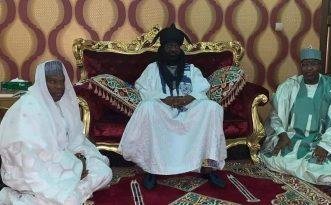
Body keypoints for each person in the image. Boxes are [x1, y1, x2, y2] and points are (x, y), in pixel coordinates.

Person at [118, 24, 227, 190]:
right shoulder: (152, 69)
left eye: (176, 46)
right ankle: (152, 169)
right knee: (147, 108)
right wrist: (164, 99)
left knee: (211, 108)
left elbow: (202, 88)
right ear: (162, 48)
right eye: (169, 46)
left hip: (189, 111)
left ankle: (209, 165)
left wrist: (189, 98)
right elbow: (141, 89)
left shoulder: (191, 69)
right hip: (163, 111)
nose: (173, 50)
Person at [0, 60, 112, 204]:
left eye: (62, 82)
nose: (59, 87)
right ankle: (20, 197)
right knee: (68, 199)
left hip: (62, 161)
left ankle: (61, 195)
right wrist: (75, 166)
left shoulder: (60, 104)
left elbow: (74, 140)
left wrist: (80, 158)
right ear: (41, 82)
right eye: (52, 82)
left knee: (104, 172)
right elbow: (32, 156)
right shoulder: (28, 109)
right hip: (31, 172)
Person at [260, 47, 331, 186]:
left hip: (321, 139)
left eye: (313, 64)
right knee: (273, 159)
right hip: (292, 138)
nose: (309, 68)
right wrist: (282, 134)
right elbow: (276, 114)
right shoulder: (290, 86)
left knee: (323, 172)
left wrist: (325, 146)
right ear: (301, 66)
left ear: (320, 65)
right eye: (305, 64)